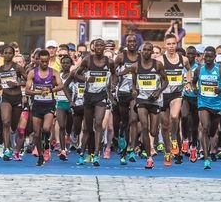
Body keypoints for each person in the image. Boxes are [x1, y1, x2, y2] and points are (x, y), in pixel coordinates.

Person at [72, 37, 116, 166]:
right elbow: (76, 74)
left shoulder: (109, 62)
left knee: (98, 124)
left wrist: (112, 84)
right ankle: (82, 153)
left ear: (104, 48)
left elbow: (114, 75)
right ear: (93, 47)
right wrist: (86, 79)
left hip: (101, 96)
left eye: (101, 46)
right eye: (97, 46)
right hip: (88, 96)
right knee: (87, 127)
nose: (99, 48)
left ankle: (96, 155)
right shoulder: (87, 60)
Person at [24, 49, 67, 166]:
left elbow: (61, 85)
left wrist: (50, 90)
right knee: (37, 134)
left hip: (49, 105)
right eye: (42, 61)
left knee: (47, 129)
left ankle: (47, 144)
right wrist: (38, 92)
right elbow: (27, 90)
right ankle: (40, 156)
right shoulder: (32, 73)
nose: (44, 64)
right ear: (38, 61)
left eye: (46, 62)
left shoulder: (54, 72)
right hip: (37, 105)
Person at [192, 46, 221, 170]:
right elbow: (193, 82)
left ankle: (209, 148)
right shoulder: (199, 69)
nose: (208, 59)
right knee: (205, 127)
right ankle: (206, 157)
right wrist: (195, 89)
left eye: (210, 56)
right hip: (203, 102)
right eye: (206, 56)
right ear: (203, 56)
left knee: (213, 131)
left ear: (214, 57)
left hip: (216, 104)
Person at [132, 42, 169, 168]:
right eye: (145, 50)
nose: (147, 52)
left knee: (153, 131)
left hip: (154, 100)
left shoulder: (158, 64)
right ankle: (149, 158)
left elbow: (166, 81)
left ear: (152, 52)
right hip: (142, 99)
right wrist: (134, 90)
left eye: (149, 50)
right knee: (144, 126)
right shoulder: (136, 65)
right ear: (141, 51)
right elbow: (133, 83)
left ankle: (145, 143)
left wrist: (158, 91)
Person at [159, 34, 190, 165]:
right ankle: (167, 152)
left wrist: (188, 82)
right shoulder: (160, 60)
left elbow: (188, 70)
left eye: (173, 44)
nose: (171, 46)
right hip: (162, 95)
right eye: (169, 44)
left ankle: (174, 139)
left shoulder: (183, 59)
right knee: (165, 126)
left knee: (174, 116)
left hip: (176, 94)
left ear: (177, 44)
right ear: (165, 45)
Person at [113, 34, 140, 161]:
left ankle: (132, 149)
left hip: (136, 93)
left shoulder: (141, 57)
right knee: (125, 122)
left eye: (134, 41)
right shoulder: (120, 57)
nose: (132, 43)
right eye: (130, 41)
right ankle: (122, 144)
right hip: (122, 92)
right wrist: (114, 82)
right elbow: (112, 72)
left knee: (134, 120)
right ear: (126, 43)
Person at [0, 44, 27, 161]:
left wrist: (17, 84)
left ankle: (12, 137)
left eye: (10, 53)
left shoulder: (18, 67)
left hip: (17, 98)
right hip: (6, 97)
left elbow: (27, 81)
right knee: (5, 122)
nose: (8, 55)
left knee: (14, 125)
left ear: (13, 55)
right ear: (2, 54)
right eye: (6, 53)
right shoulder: (0, 69)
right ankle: (7, 149)